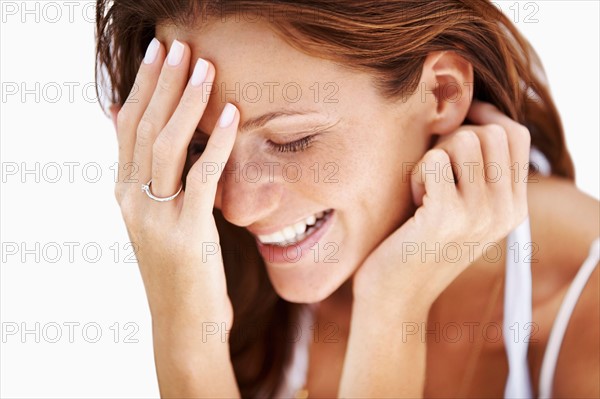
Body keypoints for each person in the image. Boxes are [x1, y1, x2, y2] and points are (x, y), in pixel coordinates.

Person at [95, 1, 599, 397]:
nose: (239, 208)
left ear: (442, 92)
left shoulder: (584, 299)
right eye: (202, 147)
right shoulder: (207, 264)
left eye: (292, 141)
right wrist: (184, 330)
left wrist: (392, 308)